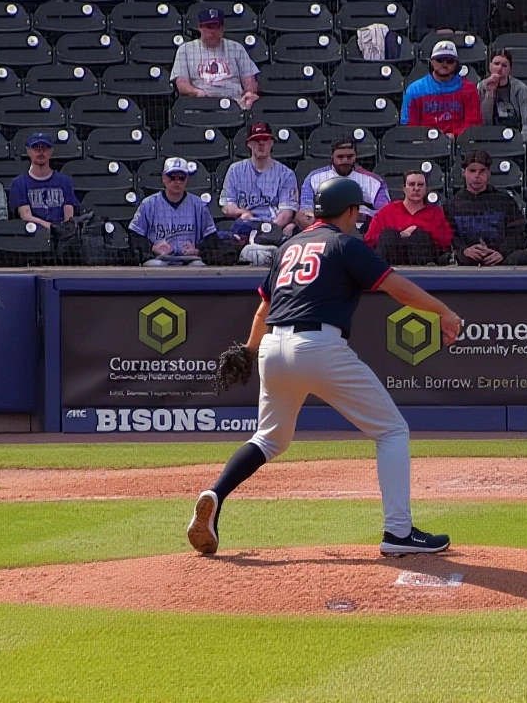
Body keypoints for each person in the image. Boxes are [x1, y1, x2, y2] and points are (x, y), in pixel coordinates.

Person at [186, 177, 464, 557]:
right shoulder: (345, 244)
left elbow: (263, 310)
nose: (359, 218)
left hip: (273, 347)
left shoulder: (288, 246)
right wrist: (444, 312)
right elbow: (397, 287)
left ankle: (215, 494)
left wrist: (249, 351)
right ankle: (398, 532)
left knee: (268, 440)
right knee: (392, 430)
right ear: (349, 211)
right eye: (357, 212)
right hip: (317, 345)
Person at [219, 122, 300, 265]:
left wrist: (269, 231)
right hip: (245, 227)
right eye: (256, 140)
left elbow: (286, 212)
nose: (261, 143)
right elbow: (226, 206)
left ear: (272, 143)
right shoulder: (235, 170)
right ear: (249, 144)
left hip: (273, 227)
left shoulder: (286, 174)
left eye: (265, 139)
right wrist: (240, 212)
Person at [443, 149, 527, 266]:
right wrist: (465, 250)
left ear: (489, 173)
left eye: (482, 171)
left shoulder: (505, 200)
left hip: (501, 257)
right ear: (464, 172)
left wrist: (501, 252)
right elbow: (450, 236)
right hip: (467, 258)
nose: (477, 176)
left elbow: (518, 233)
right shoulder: (452, 205)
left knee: (524, 257)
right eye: (472, 171)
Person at [129, 157, 218, 267]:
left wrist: (198, 251)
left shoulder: (199, 205)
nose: (177, 182)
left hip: (189, 259)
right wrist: (152, 247)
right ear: (164, 178)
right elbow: (135, 236)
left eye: (181, 177)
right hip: (158, 258)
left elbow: (211, 238)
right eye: (172, 177)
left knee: (199, 266)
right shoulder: (148, 204)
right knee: (158, 266)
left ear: (187, 179)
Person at [171, 7, 260, 110]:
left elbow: (249, 80)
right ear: (200, 27)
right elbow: (182, 85)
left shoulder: (236, 48)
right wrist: (198, 93)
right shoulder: (185, 50)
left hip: (234, 103)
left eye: (216, 27)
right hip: (201, 103)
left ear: (222, 28)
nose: (213, 31)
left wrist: (249, 93)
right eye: (208, 27)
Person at [363, 171, 453, 265]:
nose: (416, 188)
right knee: (389, 235)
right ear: (404, 189)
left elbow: (445, 241)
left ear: (426, 189)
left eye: (420, 185)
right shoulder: (387, 211)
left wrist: (416, 233)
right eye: (411, 184)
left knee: (419, 236)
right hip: (390, 261)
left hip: (423, 258)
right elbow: (369, 240)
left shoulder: (435, 213)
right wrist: (400, 235)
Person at [297, 139, 389, 229]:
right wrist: (308, 217)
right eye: (340, 157)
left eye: (350, 156)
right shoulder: (314, 178)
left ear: (356, 156)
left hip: (362, 230)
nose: (345, 161)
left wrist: (363, 216)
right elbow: (306, 208)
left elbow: (385, 212)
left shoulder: (374, 181)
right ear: (332, 156)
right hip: (324, 229)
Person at [401, 40, 483, 138]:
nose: (444, 64)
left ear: (456, 64)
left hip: (459, 141)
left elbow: (473, 123)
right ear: (431, 62)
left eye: (449, 60)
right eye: (439, 60)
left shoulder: (469, 89)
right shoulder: (415, 90)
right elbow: (409, 125)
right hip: (424, 143)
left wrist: (455, 135)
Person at [9, 132, 78, 230]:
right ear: (28, 151)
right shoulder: (19, 183)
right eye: (36, 148)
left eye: (45, 148)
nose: (41, 151)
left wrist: (63, 230)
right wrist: (52, 227)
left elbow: (69, 215)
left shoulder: (65, 181)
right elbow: (26, 216)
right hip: (33, 235)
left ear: (51, 151)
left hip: (63, 235)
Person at [477, 50, 527, 142]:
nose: (499, 68)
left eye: (504, 65)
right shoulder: (481, 87)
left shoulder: (521, 89)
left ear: (510, 69)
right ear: (490, 66)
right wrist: (490, 93)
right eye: (496, 64)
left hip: (515, 137)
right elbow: (481, 122)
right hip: (489, 138)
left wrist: (520, 142)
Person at [411, 0, 489, 40]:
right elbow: (417, 32)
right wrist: (437, 33)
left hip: (467, 47)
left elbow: (481, 30)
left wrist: (463, 35)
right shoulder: (426, 0)